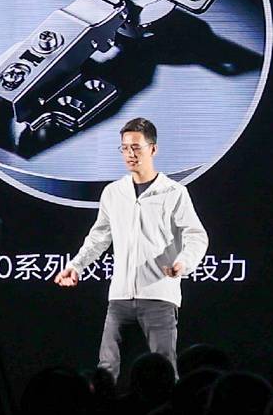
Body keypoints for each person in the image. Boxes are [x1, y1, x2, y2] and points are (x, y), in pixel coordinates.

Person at [52, 116, 210, 376]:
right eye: (125, 148)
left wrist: (184, 263)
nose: (130, 154)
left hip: (159, 294)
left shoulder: (173, 192)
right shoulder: (114, 192)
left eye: (136, 147)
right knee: (106, 367)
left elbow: (196, 235)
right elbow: (99, 237)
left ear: (153, 149)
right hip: (120, 296)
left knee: (164, 367)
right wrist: (76, 266)